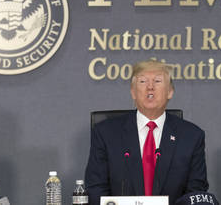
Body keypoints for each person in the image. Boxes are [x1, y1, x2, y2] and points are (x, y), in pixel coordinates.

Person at [85, 60, 209, 205]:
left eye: (157, 81)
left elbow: (195, 193)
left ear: (170, 91)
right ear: (133, 92)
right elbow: (95, 189)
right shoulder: (105, 133)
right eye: (143, 81)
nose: (150, 87)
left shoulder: (192, 137)